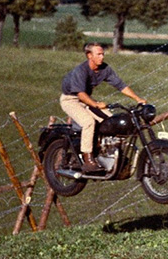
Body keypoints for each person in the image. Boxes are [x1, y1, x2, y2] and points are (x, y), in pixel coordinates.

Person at [60, 42, 146, 173]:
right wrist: (95, 104)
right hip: (71, 100)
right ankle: (87, 159)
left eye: (102, 54)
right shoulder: (81, 71)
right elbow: (81, 95)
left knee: (111, 121)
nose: (102, 57)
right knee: (88, 122)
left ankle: (106, 152)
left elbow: (120, 85)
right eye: (98, 54)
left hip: (87, 100)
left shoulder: (105, 69)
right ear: (89, 55)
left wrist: (138, 98)